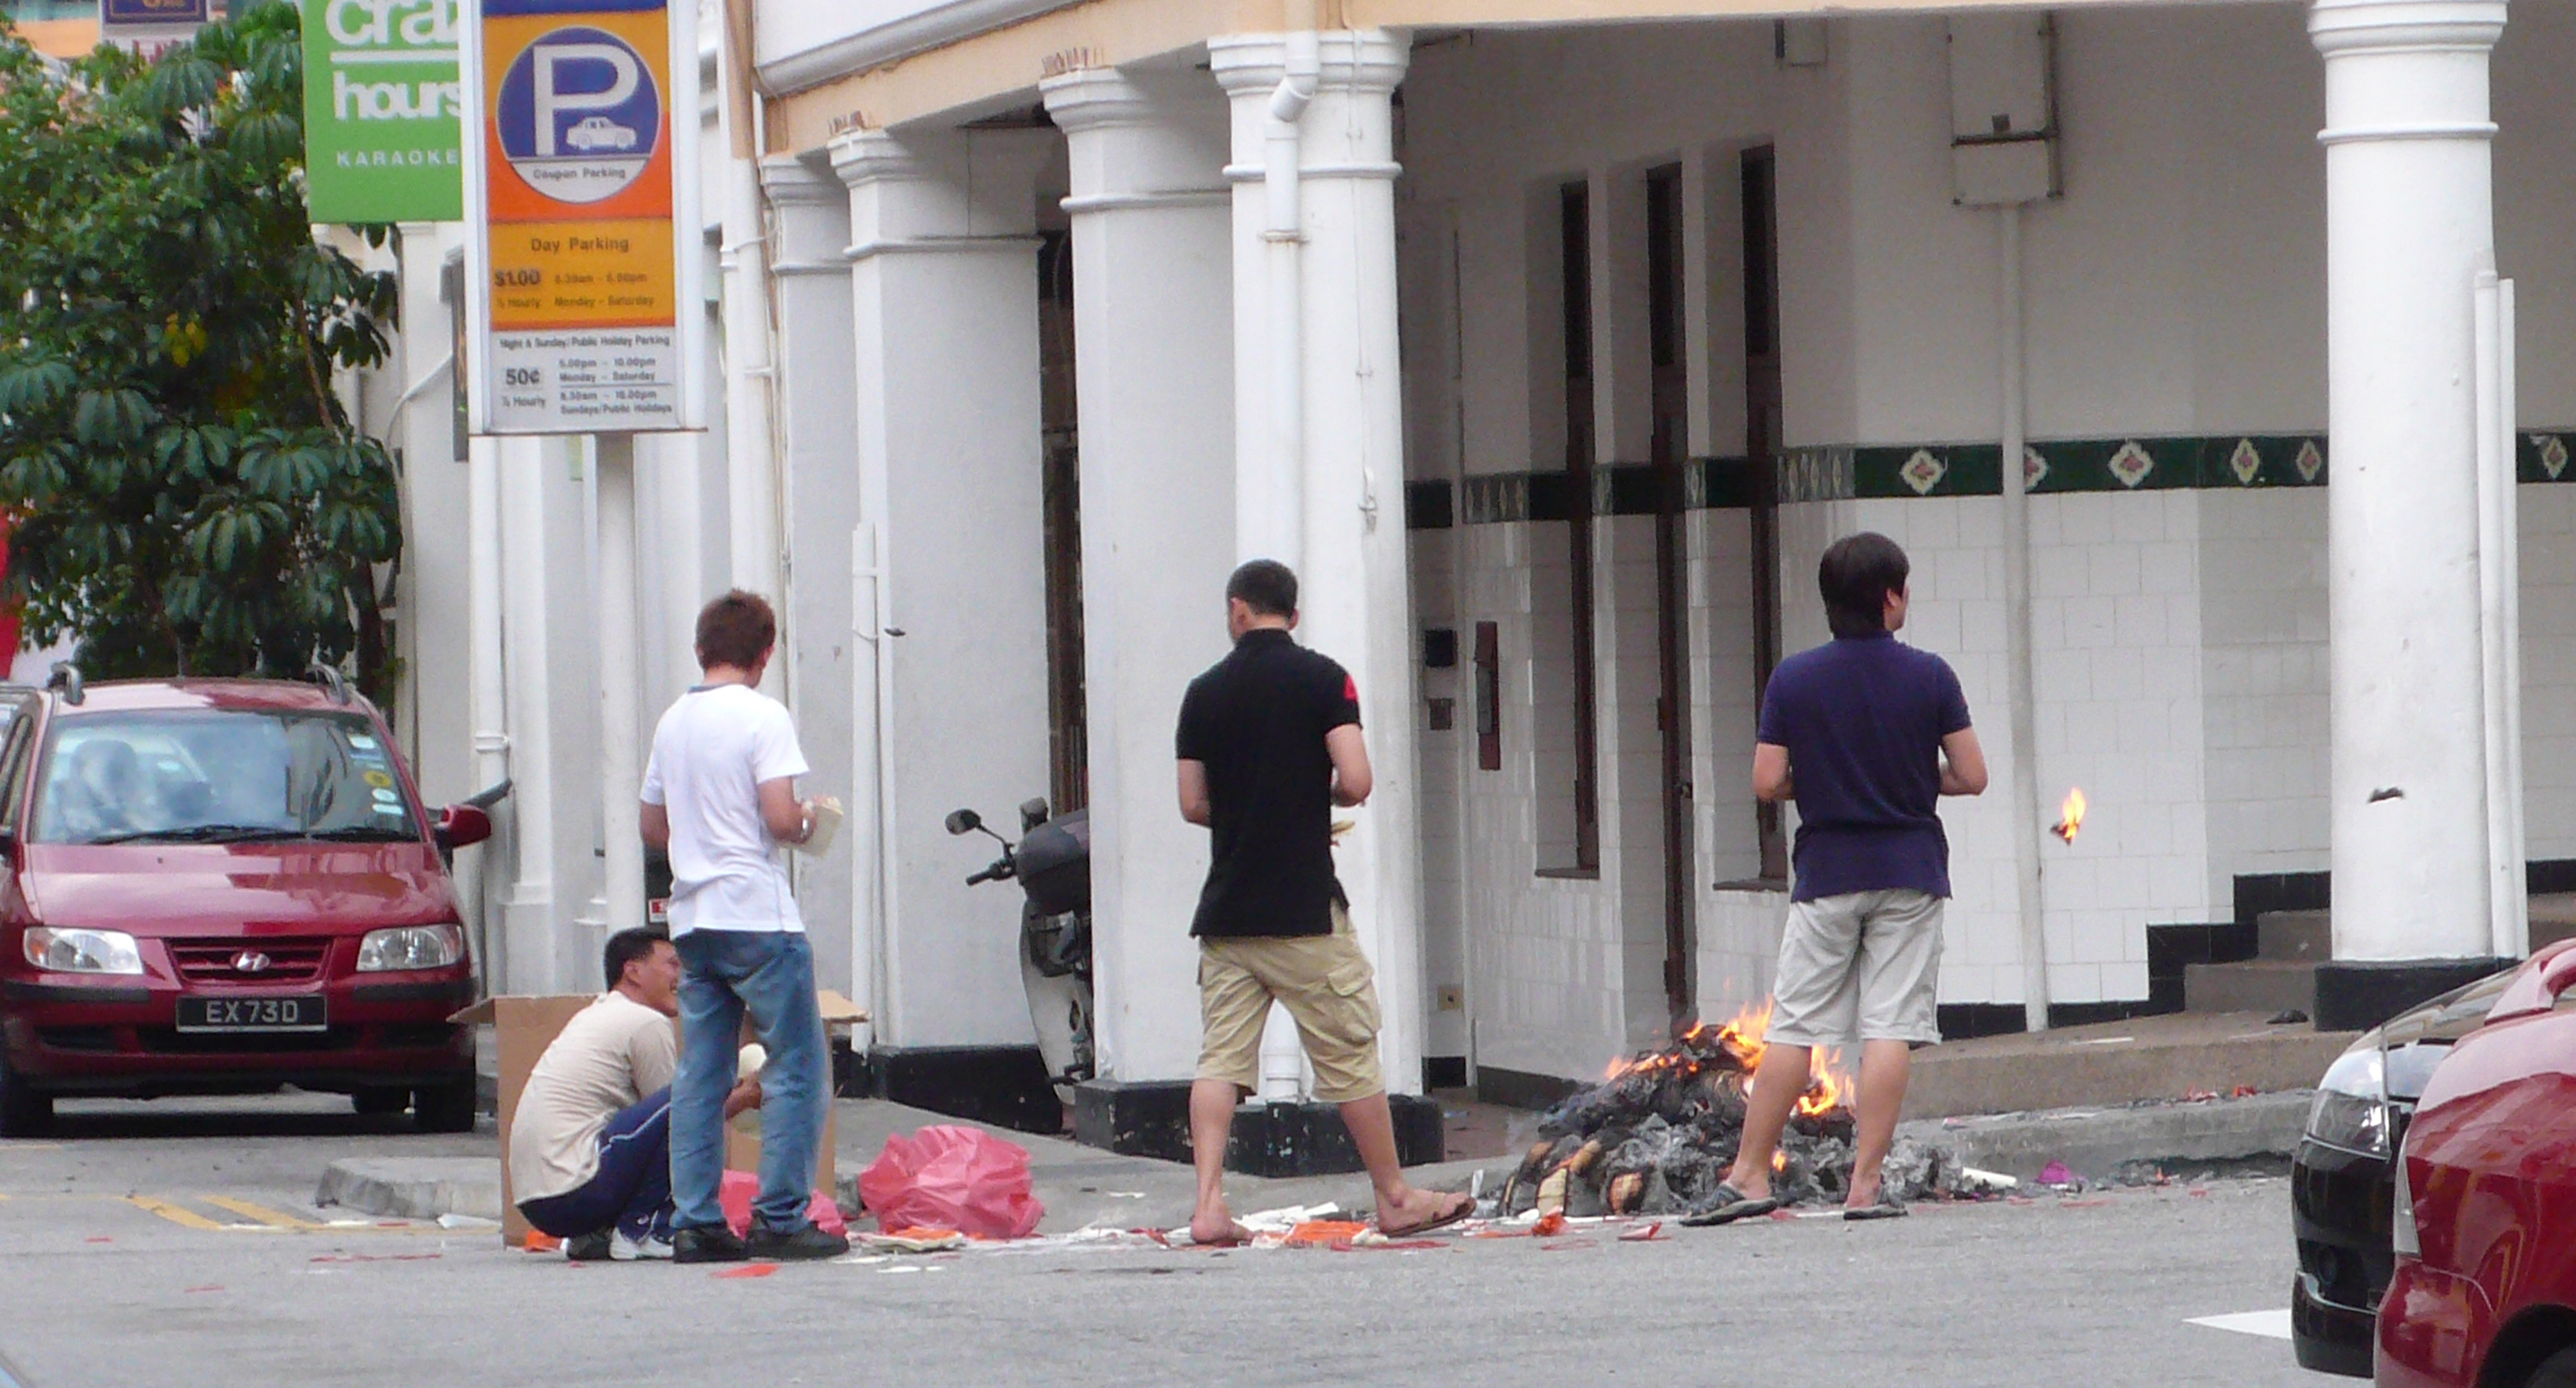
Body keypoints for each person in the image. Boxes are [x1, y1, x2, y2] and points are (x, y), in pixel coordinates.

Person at [1174, 559, 1475, 1246]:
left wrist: (1246, 806)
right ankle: (1394, 1195)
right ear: (1294, 614)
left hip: (1226, 915)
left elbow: (1193, 802)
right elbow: (1358, 778)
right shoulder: (1323, 678)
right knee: (1349, 1053)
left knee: (1221, 1059)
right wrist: (1320, 798)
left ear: (1237, 611)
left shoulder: (1202, 693)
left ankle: (1208, 1204)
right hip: (1304, 908)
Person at [1691, 532, 1987, 1226]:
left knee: (1794, 1026)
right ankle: (1863, 1185)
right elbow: (1972, 775)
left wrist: (1821, 783)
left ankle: (1748, 1173)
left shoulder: (1794, 678)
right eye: (1904, 587)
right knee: (1888, 1026)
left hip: (1825, 872)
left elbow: (1766, 781)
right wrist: (1915, 782)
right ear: (1889, 595)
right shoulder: (1931, 676)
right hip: (1909, 872)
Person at [640, 590, 847, 1263]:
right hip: (757, 914)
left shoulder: (672, 721)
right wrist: (815, 819)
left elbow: (651, 825)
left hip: (694, 920)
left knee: (703, 1070)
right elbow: (783, 820)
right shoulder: (764, 716)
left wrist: (696, 845)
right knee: (797, 1065)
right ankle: (779, 1215)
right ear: (765, 653)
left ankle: (695, 1220)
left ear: (701, 650)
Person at [509, 928, 760, 1261]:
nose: (682, 977)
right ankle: (644, 1230)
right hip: (575, 1191)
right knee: (692, 1093)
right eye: (672, 965)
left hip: (539, 1202)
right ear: (633, 971)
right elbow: (684, 1122)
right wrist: (747, 1096)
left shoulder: (597, 1015)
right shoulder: (643, 1022)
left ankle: (603, 1233)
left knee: (684, 1100)